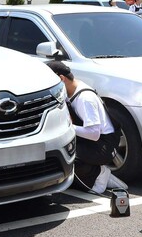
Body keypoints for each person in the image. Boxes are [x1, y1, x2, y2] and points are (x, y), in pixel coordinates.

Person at [47, 60, 127, 195]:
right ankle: (98, 175)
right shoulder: (70, 90)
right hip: (92, 142)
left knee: (66, 157)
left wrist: (66, 128)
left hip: (103, 146)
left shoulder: (85, 98)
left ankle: (99, 174)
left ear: (61, 79)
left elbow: (94, 133)